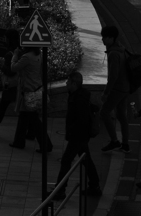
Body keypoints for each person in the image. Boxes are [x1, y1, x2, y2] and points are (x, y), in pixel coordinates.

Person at [52, 71, 101, 200]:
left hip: (78, 136)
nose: (66, 83)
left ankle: (60, 190)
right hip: (81, 136)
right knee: (86, 160)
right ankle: (95, 186)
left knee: (66, 161)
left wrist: (73, 134)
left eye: (68, 81)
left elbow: (81, 120)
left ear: (74, 83)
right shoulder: (77, 95)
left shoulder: (78, 99)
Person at [9, 45, 52, 152]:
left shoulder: (27, 57)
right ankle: (19, 141)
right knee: (24, 117)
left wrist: (14, 55)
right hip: (36, 88)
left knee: (33, 119)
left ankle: (46, 144)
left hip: (28, 91)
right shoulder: (38, 54)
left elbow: (13, 68)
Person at [99, 25, 130, 153]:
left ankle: (114, 141)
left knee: (104, 112)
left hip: (117, 89)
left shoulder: (113, 54)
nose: (103, 40)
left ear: (112, 38)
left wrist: (106, 92)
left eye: (105, 38)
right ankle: (125, 144)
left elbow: (113, 76)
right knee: (122, 116)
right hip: (125, 87)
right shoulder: (121, 48)